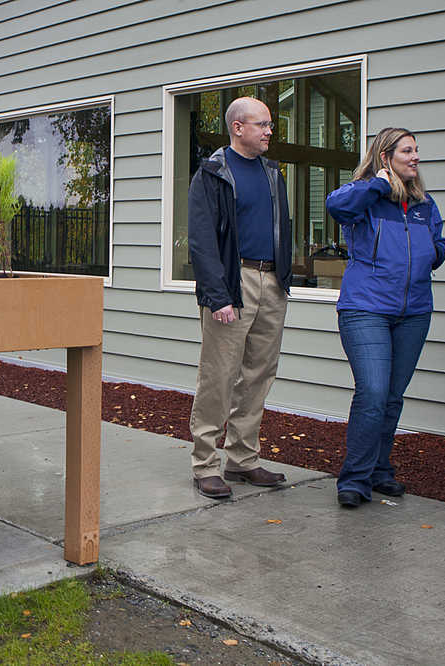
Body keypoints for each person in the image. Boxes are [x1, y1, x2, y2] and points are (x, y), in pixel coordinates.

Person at [325, 128, 445, 508]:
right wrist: (377, 185)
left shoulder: (425, 204)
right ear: (385, 157)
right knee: (373, 393)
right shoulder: (364, 199)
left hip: (413, 313)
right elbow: (336, 206)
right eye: (406, 151)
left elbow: (438, 249)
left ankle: (379, 471)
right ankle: (355, 479)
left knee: (392, 398)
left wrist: (429, 252)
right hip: (366, 309)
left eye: (416, 151)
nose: (415, 157)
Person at [186, 97, 293, 498]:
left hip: (271, 282)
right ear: (238, 128)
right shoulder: (213, 174)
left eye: (270, 125)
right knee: (218, 375)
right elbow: (202, 240)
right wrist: (219, 295)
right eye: (262, 124)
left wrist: (283, 278)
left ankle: (243, 459)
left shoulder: (271, 173)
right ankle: (204, 464)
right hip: (235, 282)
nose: (269, 131)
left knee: (259, 375)